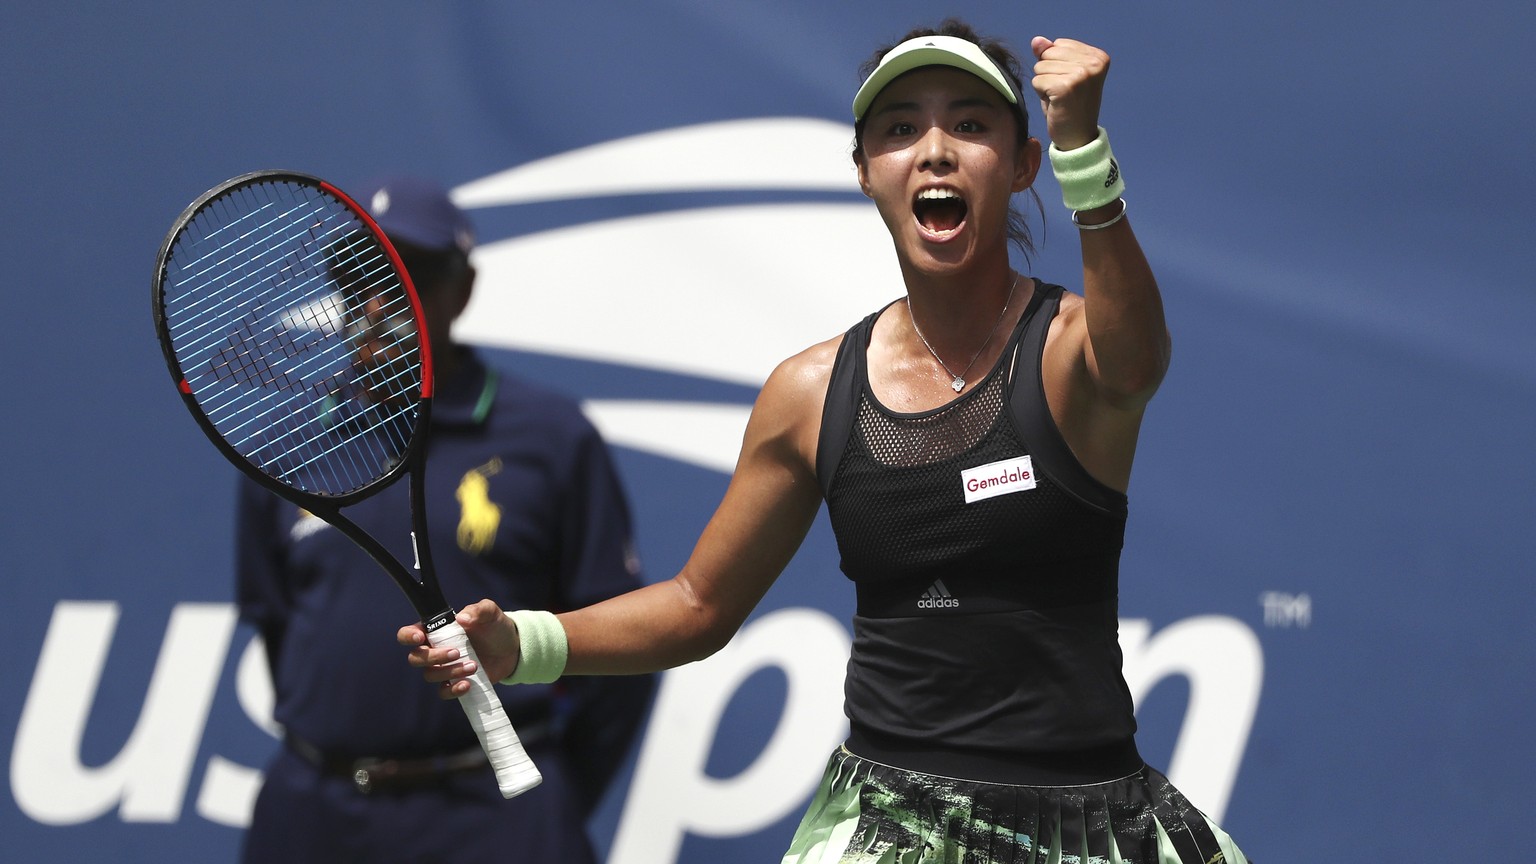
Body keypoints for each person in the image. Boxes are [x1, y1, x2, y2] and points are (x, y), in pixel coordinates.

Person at [402, 20, 1251, 864]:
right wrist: (522, 644)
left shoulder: (1072, 348)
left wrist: (1085, 153)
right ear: (865, 173)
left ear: (1024, 162)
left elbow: (1136, 362)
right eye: (899, 129)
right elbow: (699, 606)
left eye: (969, 123)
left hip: (1098, 824)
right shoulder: (808, 393)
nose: (934, 151)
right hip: (891, 824)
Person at [237, 176, 655, 864]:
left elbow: (620, 651)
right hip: (313, 817)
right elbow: (275, 623)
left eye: (410, 277)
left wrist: (546, 798)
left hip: (490, 819)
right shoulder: (288, 446)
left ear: (462, 290)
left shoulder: (548, 438)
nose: (379, 304)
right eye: (358, 278)